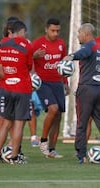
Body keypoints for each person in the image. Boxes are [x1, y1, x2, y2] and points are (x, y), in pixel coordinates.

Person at [62, 23, 100, 164]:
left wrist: (70, 57)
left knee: (82, 124)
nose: (78, 36)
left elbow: (82, 53)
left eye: (79, 33)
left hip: (87, 89)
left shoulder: (88, 47)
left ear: (86, 34)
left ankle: (81, 155)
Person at [0, 20, 33, 164]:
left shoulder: (1, 44)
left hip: (6, 88)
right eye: (24, 32)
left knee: (6, 122)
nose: (25, 34)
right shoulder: (26, 45)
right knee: (19, 124)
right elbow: (28, 66)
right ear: (21, 31)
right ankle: (14, 157)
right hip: (21, 88)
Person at [32, 18, 69, 158]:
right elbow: (27, 59)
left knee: (58, 114)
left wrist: (65, 82)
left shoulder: (61, 44)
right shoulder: (38, 43)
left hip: (57, 82)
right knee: (53, 109)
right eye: (53, 30)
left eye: (58, 31)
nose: (56, 33)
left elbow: (63, 65)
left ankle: (52, 150)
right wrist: (34, 56)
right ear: (46, 29)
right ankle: (42, 141)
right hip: (43, 82)